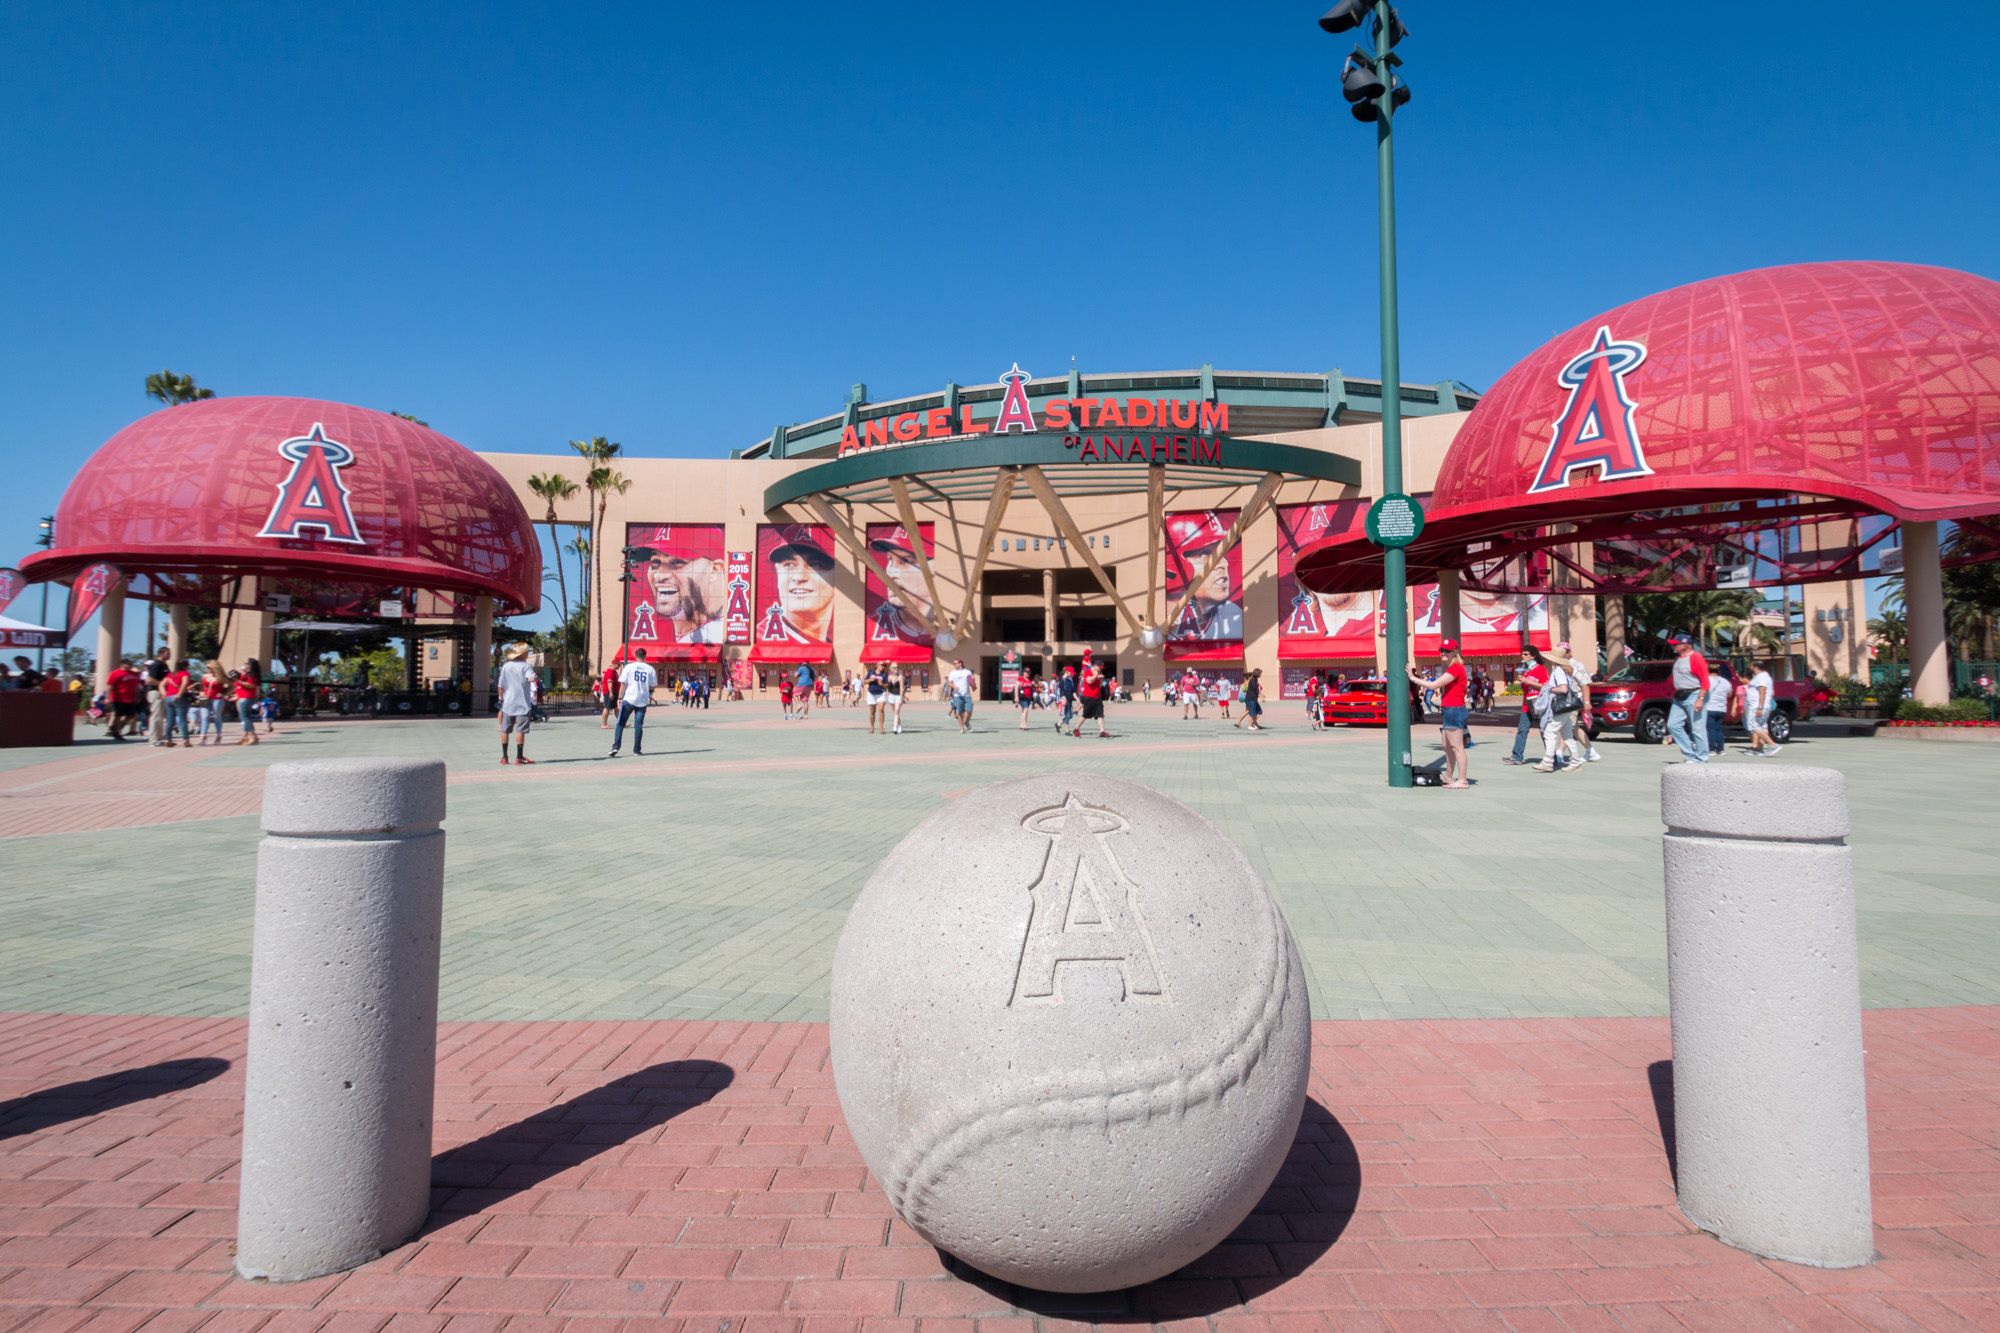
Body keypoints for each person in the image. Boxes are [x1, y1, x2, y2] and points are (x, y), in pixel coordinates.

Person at [1409, 640, 1470, 787]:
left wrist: (1413, 678)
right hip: (1450, 709)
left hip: (1455, 710)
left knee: (1457, 747)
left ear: (1455, 652)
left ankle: (1462, 780)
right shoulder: (1453, 668)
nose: (1443, 653)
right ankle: (1449, 777)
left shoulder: (1456, 668)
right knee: (1447, 746)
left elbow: (1434, 685)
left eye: (1447, 650)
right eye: (1442, 650)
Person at [763, 527, 838, 643]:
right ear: (777, 572)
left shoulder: (830, 643)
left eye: (815, 565)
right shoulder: (763, 639)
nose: (799, 577)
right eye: (789, 565)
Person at [1665, 633, 1712, 764]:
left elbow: (1705, 681)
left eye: (1675, 644)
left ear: (1685, 645)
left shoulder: (1696, 658)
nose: (1673, 646)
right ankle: (1690, 753)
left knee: (1697, 728)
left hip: (1694, 694)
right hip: (1680, 695)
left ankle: (1701, 758)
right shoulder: (1679, 659)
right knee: (1673, 725)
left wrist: (1700, 699)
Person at [1532, 647, 1577, 773]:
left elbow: (1563, 689)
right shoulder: (1565, 670)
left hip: (1560, 706)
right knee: (1567, 735)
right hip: (1567, 706)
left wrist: (1548, 689)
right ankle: (1576, 761)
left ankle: (1547, 762)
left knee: (1549, 732)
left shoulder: (1558, 671)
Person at [608, 647, 656, 758]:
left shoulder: (629, 667)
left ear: (636, 655)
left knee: (620, 723)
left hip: (629, 699)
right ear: (645, 656)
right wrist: (649, 695)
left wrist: (619, 698)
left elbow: (623, 684)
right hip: (642, 700)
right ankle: (637, 749)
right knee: (638, 725)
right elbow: (652, 686)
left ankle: (616, 746)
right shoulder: (650, 669)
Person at [1501, 647, 1545, 767]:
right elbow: (1525, 687)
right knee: (1522, 730)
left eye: (1526, 654)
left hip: (1538, 704)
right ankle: (1517, 756)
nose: (1523, 656)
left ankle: (1553, 756)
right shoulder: (1526, 670)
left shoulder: (1540, 669)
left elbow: (1545, 687)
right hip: (1527, 705)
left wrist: (1528, 681)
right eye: (1522, 654)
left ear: (1533, 656)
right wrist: (1521, 682)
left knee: (1545, 732)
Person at [496, 643, 538, 765]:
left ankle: (504, 757)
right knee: (520, 730)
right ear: (524, 654)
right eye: (527, 652)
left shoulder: (506, 666)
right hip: (523, 704)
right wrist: (533, 677)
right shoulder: (526, 666)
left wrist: (500, 699)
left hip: (508, 704)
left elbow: (500, 685)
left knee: (505, 730)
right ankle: (519, 757)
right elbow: (531, 678)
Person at [104, 658, 142, 741]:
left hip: (130, 698)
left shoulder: (134, 674)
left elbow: (136, 686)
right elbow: (110, 686)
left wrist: (137, 696)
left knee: (131, 715)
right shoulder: (115, 673)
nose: (129, 665)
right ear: (122, 664)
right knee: (118, 715)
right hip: (118, 698)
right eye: (127, 664)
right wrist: (107, 697)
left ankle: (116, 727)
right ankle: (117, 732)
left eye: (130, 664)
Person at [1704, 663, 1734, 758]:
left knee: (1711, 729)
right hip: (1722, 708)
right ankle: (1721, 749)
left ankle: (1712, 749)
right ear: (1719, 671)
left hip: (1710, 707)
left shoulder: (1707, 680)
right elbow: (1730, 694)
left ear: (1708, 670)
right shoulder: (1725, 681)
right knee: (1719, 729)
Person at [161, 659, 192, 747]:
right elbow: (184, 683)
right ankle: (186, 740)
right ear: (186, 666)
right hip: (178, 698)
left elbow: (161, 685)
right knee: (182, 719)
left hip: (168, 697)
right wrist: (179, 694)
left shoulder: (170, 674)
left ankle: (168, 739)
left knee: (170, 720)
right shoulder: (184, 673)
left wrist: (164, 694)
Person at [1076, 657, 1109, 738]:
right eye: (1100, 667)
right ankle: (1076, 729)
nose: (1101, 669)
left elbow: (1100, 686)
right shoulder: (1088, 672)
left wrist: (1101, 680)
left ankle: (1102, 731)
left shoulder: (1098, 673)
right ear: (1096, 666)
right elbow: (1089, 681)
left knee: (1100, 715)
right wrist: (1096, 675)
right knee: (1085, 715)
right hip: (1088, 697)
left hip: (1097, 697)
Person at [198, 661, 227, 744]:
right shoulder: (204, 676)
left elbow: (231, 685)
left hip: (217, 698)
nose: (207, 669)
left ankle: (218, 735)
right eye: (206, 668)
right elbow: (201, 686)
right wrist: (201, 692)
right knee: (205, 716)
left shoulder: (220, 677)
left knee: (216, 716)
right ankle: (203, 735)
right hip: (205, 698)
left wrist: (224, 694)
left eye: (209, 668)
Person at [230, 667, 261, 745]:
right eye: (241, 669)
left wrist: (238, 681)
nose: (242, 670)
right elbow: (239, 688)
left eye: (244, 669)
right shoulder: (239, 678)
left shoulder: (249, 676)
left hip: (247, 698)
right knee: (244, 718)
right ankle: (246, 736)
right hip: (241, 698)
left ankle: (252, 736)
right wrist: (236, 696)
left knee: (245, 718)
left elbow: (251, 685)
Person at [946, 657, 975, 733]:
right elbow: (949, 683)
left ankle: (966, 722)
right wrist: (954, 686)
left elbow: (971, 680)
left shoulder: (967, 672)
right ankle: (962, 728)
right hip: (957, 696)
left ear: (960, 663)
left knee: (969, 710)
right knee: (959, 712)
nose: (954, 665)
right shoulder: (952, 673)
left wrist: (973, 682)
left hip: (967, 695)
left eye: (955, 663)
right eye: (954, 663)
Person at [1238, 667, 1266, 732]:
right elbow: (1254, 691)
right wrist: (1261, 696)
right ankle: (1249, 725)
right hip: (1250, 699)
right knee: (1252, 712)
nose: (1261, 675)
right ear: (1257, 673)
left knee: (1259, 711)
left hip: (1254, 699)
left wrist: (1260, 695)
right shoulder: (1252, 680)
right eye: (1260, 673)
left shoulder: (1255, 680)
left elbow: (1256, 691)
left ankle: (1254, 723)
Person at [865, 662, 888, 734]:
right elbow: (864, 681)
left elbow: (887, 685)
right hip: (871, 693)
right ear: (877, 665)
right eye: (882, 665)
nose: (883, 667)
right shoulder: (871, 672)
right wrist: (870, 680)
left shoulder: (884, 675)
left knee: (881, 710)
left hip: (881, 693)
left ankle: (881, 728)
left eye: (884, 666)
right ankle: (872, 727)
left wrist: (882, 684)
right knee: (872, 711)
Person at [1055, 664, 1078, 733]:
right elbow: (1061, 691)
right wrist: (1063, 699)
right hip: (1064, 699)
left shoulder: (1070, 680)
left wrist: (1077, 699)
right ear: (1067, 672)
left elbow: (1073, 691)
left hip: (1070, 699)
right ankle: (1067, 730)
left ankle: (1058, 724)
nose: (1072, 675)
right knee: (1067, 714)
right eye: (1071, 673)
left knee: (1070, 715)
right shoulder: (1062, 680)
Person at [884, 664, 905, 735]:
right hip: (891, 696)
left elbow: (902, 688)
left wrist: (901, 697)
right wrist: (887, 695)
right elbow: (888, 688)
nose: (896, 669)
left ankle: (894, 728)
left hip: (898, 696)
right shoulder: (889, 677)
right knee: (895, 713)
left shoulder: (900, 677)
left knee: (896, 712)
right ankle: (899, 725)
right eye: (894, 668)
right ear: (891, 669)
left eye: (897, 667)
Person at [598, 663, 618, 729]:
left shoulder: (614, 672)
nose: (619, 666)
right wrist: (611, 692)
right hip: (609, 692)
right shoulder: (610, 671)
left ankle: (622, 723)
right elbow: (610, 682)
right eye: (618, 665)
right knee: (607, 707)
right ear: (614, 664)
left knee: (616, 708)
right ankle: (604, 724)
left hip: (613, 692)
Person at [1016, 666, 1037, 731]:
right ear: (1023, 672)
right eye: (1026, 672)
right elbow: (1016, 688)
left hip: (1028, 697)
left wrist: (1034, 684)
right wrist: (1016, 697)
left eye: (1029, 672)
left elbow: (1034, 687)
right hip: (1022, 697)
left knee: (1024, 711)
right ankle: (1025, 724)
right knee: (1026, 710)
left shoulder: (1029, 680)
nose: (1028, 673)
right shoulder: (1020, 679)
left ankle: (1021, 724)